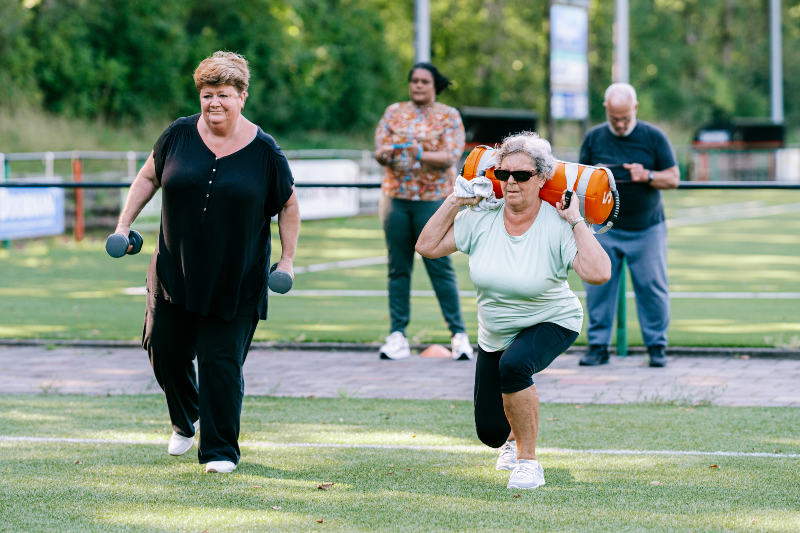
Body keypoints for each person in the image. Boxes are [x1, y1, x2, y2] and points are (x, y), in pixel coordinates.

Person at [114, 52, 299, 473]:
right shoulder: (178, 134)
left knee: (220, 364)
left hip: (237, 277)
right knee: (163, 348)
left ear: (242, 97)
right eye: (207, 94)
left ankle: (219, 452)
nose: (214, 102)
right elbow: (148, 176)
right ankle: (185, 418)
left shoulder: (265, 151)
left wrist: (287, 261)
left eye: (224, 95)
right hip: (173, 271)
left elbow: (288, 205)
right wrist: (124, 224)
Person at [416, 132, 611, 489]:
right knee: (490, 432)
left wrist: (576, 221)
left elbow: (599, 274)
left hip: (552, 319)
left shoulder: (557, 221)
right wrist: (455, 201)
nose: (511, 183)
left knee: (515, 365)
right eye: (504, 174)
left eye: (521, 176)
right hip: (495, 333)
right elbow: (426, 246)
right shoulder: (482, 217)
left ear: (541, 179)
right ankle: (508, 442)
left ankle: (529, 462)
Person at [373, 62, 472, 361]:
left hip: (434, 200)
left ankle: (459, 336)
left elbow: (450, 155)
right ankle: (397, 335)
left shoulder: (448, 115)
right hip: (397, 198)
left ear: (435, 86)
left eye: (424, 81)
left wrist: (420, 153)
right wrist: (385, 154)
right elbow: (379, 149)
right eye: (413, 80)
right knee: (398, 267)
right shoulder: (394, 112)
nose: (417, 85)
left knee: (439, 267)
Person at [578, 83, 680, 368]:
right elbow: (579, 180)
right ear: (606, 110)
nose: (620, 124)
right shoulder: (594, 138)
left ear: (635, 109)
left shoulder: (653, 136)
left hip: (647, 228)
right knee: (598, 287)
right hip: (604, 229)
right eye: (614, 119)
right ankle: (598, 347)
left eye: (625, 118)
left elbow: (673, 178)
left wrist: (647, 175)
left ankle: (657, 347)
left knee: (652, 287)